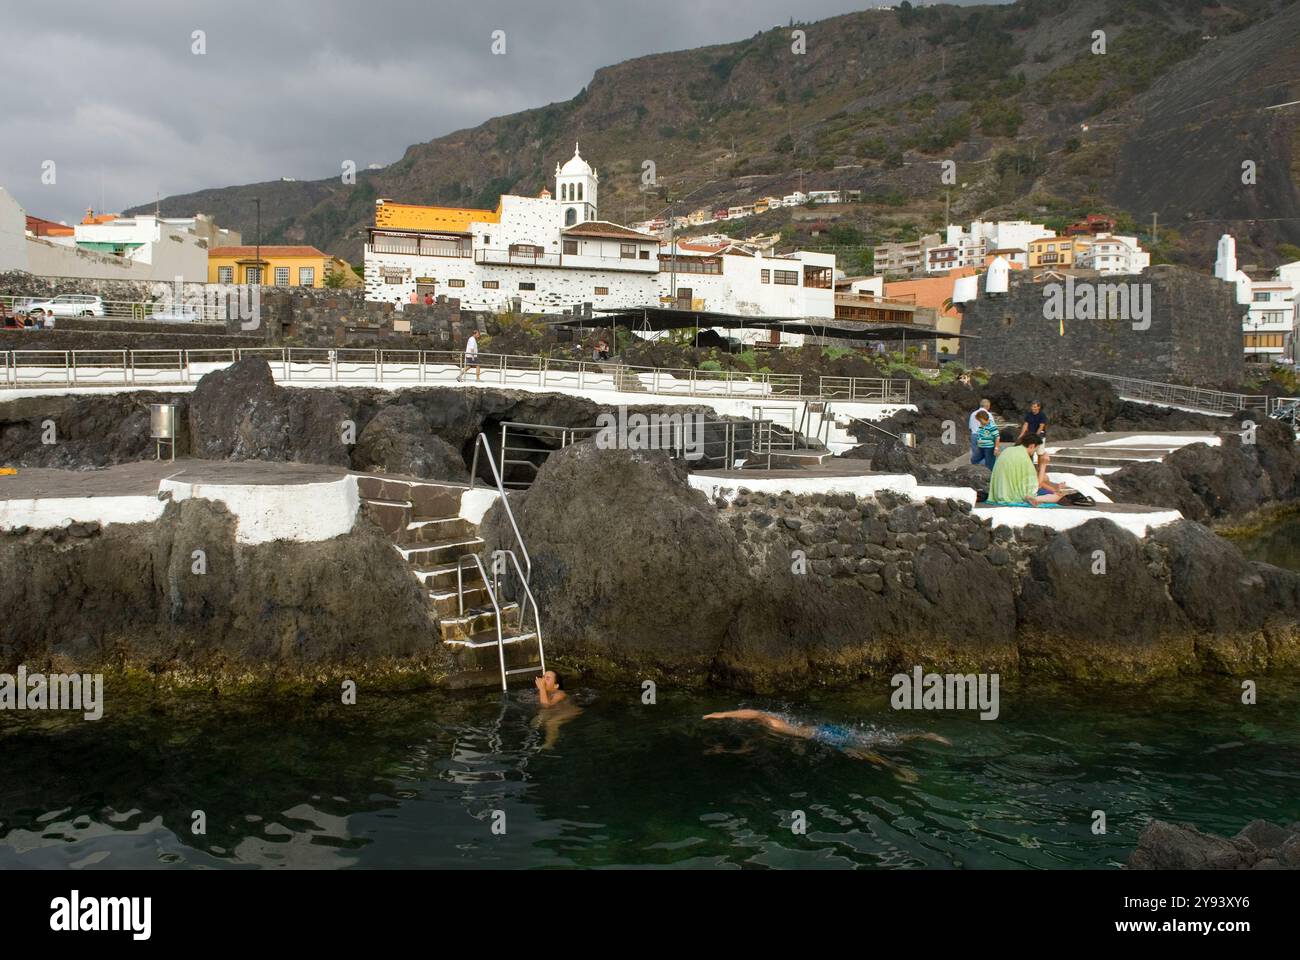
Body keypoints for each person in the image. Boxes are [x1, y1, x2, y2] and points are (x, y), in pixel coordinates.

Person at [702, 709, 949, 779]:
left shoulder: (773, 724)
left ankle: (898, 770)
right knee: (879, 738)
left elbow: (756, 715)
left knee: (865, 753)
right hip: (829, 730)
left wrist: (719, 716)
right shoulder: (784, 722)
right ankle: (924, 735)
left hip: (826, 737)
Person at [987, 436, 1070, 506]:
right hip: (1015, 495)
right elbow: (1037, 485)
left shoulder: (1008, 450)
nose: (1035, 452)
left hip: (999, 492)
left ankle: (1045, 494)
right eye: (1035, 449)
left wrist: (1054, 488)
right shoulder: (1024, 458)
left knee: (1045, 478)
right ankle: (1035, 498)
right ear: (1032, 446)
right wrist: (1043, 464)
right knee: (1058, 496)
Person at [533, 671, 580, 749]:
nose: (543, 680)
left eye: (547, 678)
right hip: (556, 710)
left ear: (556, 685)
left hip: (569, 710)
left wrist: (542, 688)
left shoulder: (560, 694)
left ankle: (549, 744)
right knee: (535, 722)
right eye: (543, 677)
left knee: (551, 722)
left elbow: (546, 705)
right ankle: (557, 734)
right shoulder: (546, 692)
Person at [967, 398, 994, 463]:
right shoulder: (988, 414)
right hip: (984, 436)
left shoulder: (973, 414)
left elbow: (970, 427)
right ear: (987, 406)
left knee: (976, 456)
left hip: (974, 436)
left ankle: (976, 470)